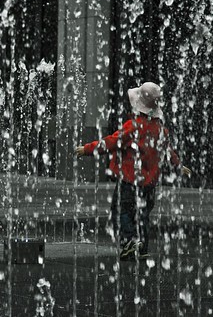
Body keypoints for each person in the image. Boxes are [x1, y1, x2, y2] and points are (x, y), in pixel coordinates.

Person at [76, 82, 191, 260]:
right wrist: (178, 166)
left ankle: (129, 241)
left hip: (129, 181)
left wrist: (88, 149)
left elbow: (111, 142)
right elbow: (168, 152)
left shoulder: (133, 126)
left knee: (121, 211)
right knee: (143, 214)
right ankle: (142, 246)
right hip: (149, 184)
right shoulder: (160, 130)